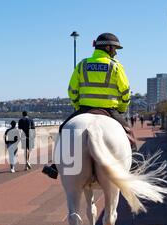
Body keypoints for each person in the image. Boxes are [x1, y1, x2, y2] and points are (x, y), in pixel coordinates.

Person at [43, 33, 134, 180]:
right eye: (115, 49)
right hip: (109, 110)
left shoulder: (82, 65)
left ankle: (55, 166)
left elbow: (72, 90)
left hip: (84, 108)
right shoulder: (116, 66)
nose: (116, 52)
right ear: (108, 47)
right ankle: (133, 163)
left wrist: (78, 105)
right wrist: (122, 108)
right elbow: (125, 92)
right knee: (129, 134)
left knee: (63, 130)